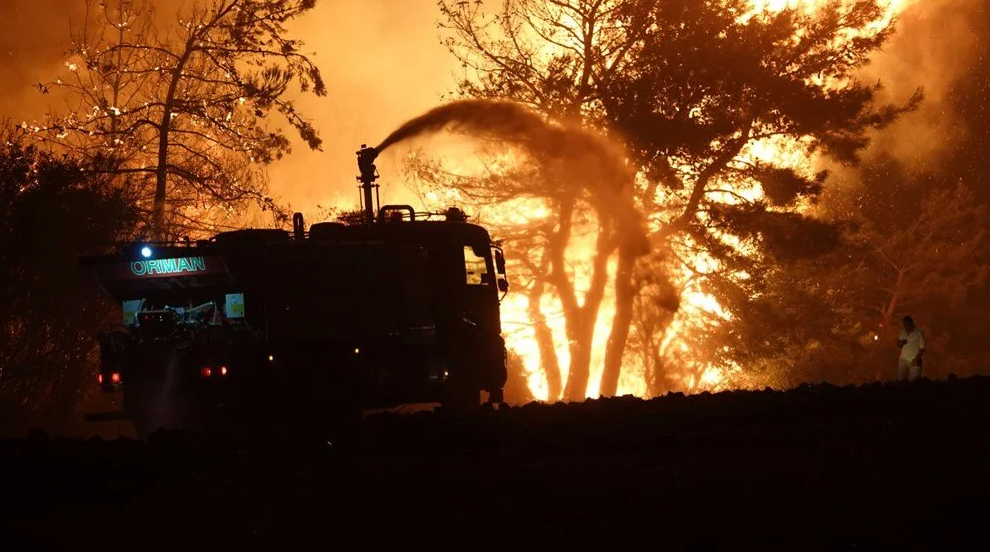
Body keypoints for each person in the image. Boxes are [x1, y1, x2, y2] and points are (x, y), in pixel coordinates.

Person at [896, 315, 926, 381]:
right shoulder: (902, 332)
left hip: (914, 360)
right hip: (903, 359)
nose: (907, 326)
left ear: (912, 323)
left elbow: (922, 348)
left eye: (908, 324)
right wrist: (900, 344)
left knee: (915, 381)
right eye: (905, 325)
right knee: (901, 380)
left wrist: (916, 359)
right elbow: (899, 345)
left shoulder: (919, 333)